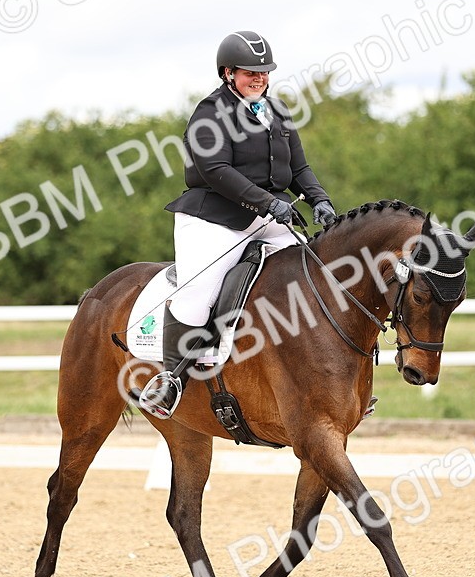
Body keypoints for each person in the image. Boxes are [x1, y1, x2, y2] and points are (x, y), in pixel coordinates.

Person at [138, 30, 338, 419]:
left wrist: (320, 199)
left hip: (269, 216)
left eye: (264, 72)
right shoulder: (210, 114)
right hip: (214, 217)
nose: (260, 78)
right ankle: (171, 379)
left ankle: (323, 377)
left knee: (314, 277)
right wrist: (266, 202)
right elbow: (214, 170)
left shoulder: (277, 112)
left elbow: (299, 168)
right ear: (228, 73)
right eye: (250, 72)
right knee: (199, 292)